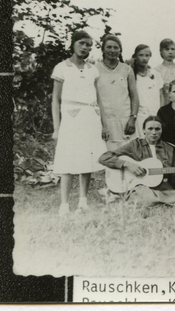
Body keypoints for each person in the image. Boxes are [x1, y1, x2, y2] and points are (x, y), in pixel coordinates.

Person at [51, 30, 107, 215]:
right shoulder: (62, 67)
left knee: (87, 159)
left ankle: (83, 201)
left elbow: (99, 98)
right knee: (68, 159)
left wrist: (103, 123)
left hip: (90, 116)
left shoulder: (93, 69)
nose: (85, 47)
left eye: (89, 45)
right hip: (71, 117)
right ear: (73, 44)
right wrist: (56, 128)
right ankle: (64, 205)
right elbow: (55, 100)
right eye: (82, 43)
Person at [98, 116, 175, 207]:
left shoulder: (169, 149)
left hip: (162, 189)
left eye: (157, 129)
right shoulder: (135, 145)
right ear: (143, 130)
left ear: (161, 130)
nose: (154, 132)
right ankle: (163, 202)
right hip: (141, 189)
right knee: (143, 194)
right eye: (150, 129)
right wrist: (127, 164)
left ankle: (153, 201)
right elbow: (104, 157)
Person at [96, 35, 139, 150]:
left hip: (125, 120)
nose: (112, 50)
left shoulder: (127, 69)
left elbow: (134, 96)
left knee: (127, 153)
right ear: (103, 49)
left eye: (116, 47)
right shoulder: (95, 69)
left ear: (120, 50)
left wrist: (132, 118)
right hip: (104, 120)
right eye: (109, 47)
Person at [131, 44, 164, 134]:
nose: (144, 58)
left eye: (147, 55)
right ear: (135, 57)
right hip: (139, 115)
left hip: (155, 114)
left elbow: (161, 96)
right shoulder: (131, 75)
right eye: (141, 55)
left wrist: (161, 115)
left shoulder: (156, 74)